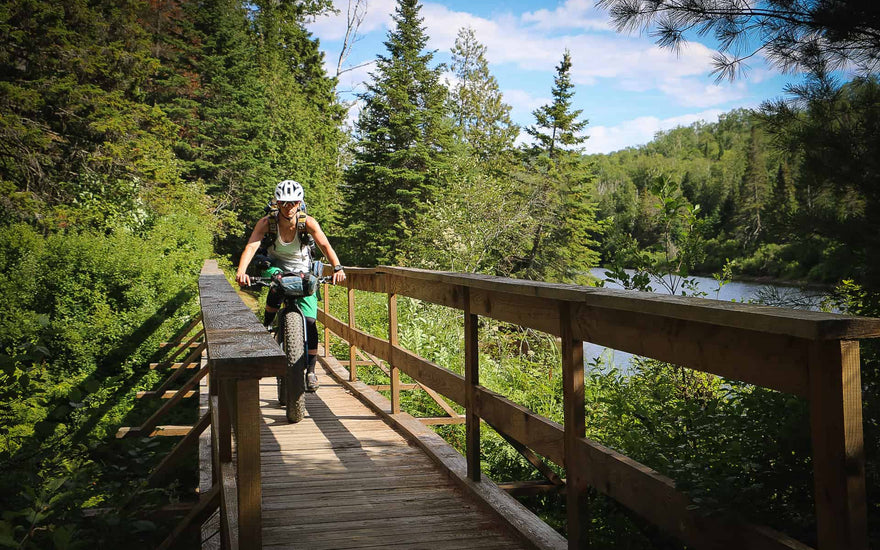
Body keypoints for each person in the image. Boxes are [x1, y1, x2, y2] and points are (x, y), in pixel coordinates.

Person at [236, 179, 346, 391]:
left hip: (302, 270)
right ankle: (268, 323)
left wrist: (338, 268)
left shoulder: (308, 223)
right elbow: (251, 246)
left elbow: (324, 244)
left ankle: (311, 371)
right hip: (275, 265)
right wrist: (241, 272)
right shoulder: (267, 223)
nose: (289, 206)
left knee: (311, 322)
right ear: (277, 203)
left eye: (294, 202)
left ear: (300, 202)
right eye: (284, 202)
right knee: (277, 280)